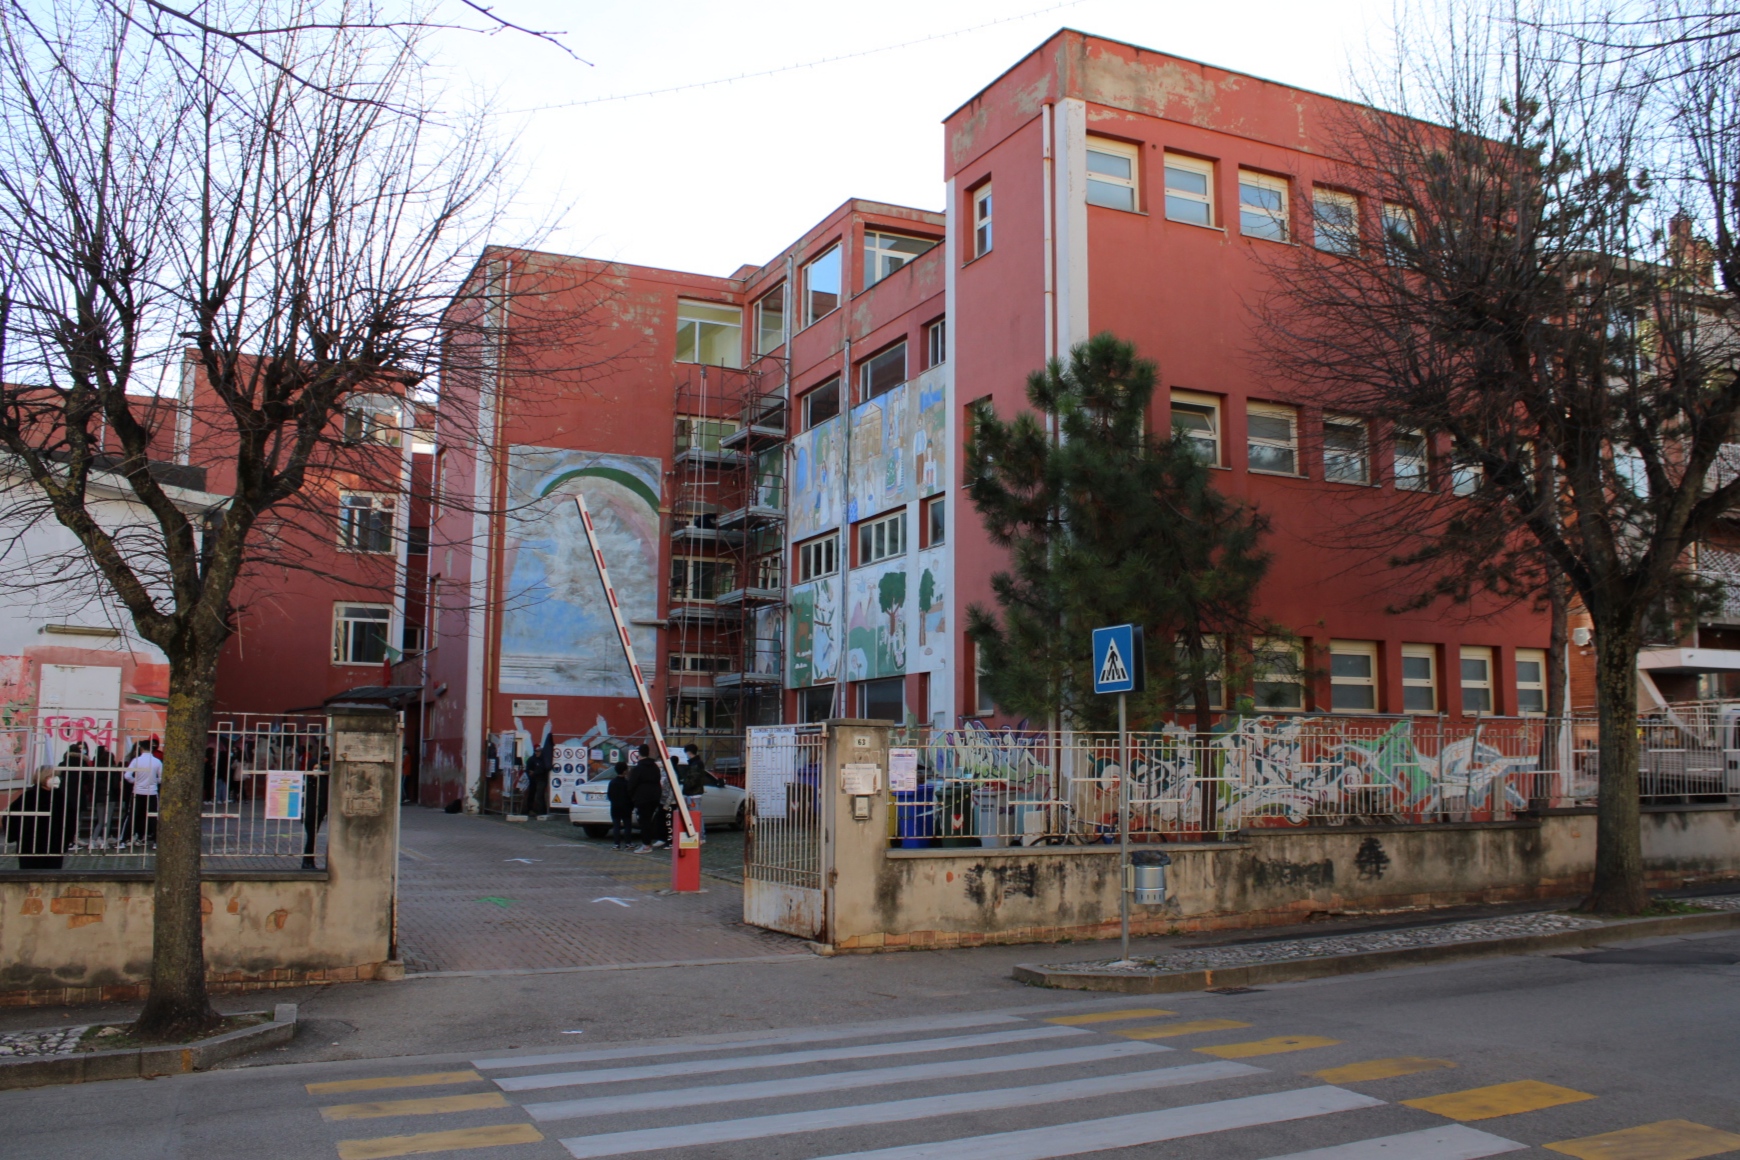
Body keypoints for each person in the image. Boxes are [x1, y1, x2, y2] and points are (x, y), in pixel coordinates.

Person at [4, 766, 71, 869]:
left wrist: (65, 841)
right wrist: (19, 835)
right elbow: (11, 817)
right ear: (43, 778)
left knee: (51, 877)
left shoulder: (61, 797)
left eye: (57, 776)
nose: (56, 779)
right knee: (29, 877)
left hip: (54, 846)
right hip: (30, 846)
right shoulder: (29, 796)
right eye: (52, 776)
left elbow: (70, 820)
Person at [122, 739, 163, 848]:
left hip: (138, 791)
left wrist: (135, 781)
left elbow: (127, 776)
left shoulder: (136, 761)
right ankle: (156, 841)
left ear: (141, 748)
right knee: (153, 816)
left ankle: (123, 839)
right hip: (152, 792)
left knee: (132, 815)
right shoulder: (157, 761)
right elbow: (161, 778)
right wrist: (154, 781)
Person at [627, 747, 663, 853]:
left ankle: (646, 845)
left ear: (639, 755)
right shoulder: (655, 767)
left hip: (642, 797)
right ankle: (647, 843)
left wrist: (632, 797)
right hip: (655, 796)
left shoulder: (638, 769)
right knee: (649, 820)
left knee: (644, 821)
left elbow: (631, 785)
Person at [680, 744, 708, 845]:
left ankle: (700, 836)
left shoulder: (695, 764)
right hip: (694, 793)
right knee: (696, 815)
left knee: (696, 815)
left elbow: (693, 780)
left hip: (693, 794)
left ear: (689, 752)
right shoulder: (697, 763)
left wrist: (685, 785)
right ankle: (700, 835)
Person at [605, 760, 633, 849]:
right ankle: (628, 843)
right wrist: (631, 806)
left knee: (616, 826)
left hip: (615, 807)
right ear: (625, 771)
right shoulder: (627, 783)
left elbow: (609, 795)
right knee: (627, 826)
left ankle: (616, 844)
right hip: (626, 807)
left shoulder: (612, 782)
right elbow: (630, 795)